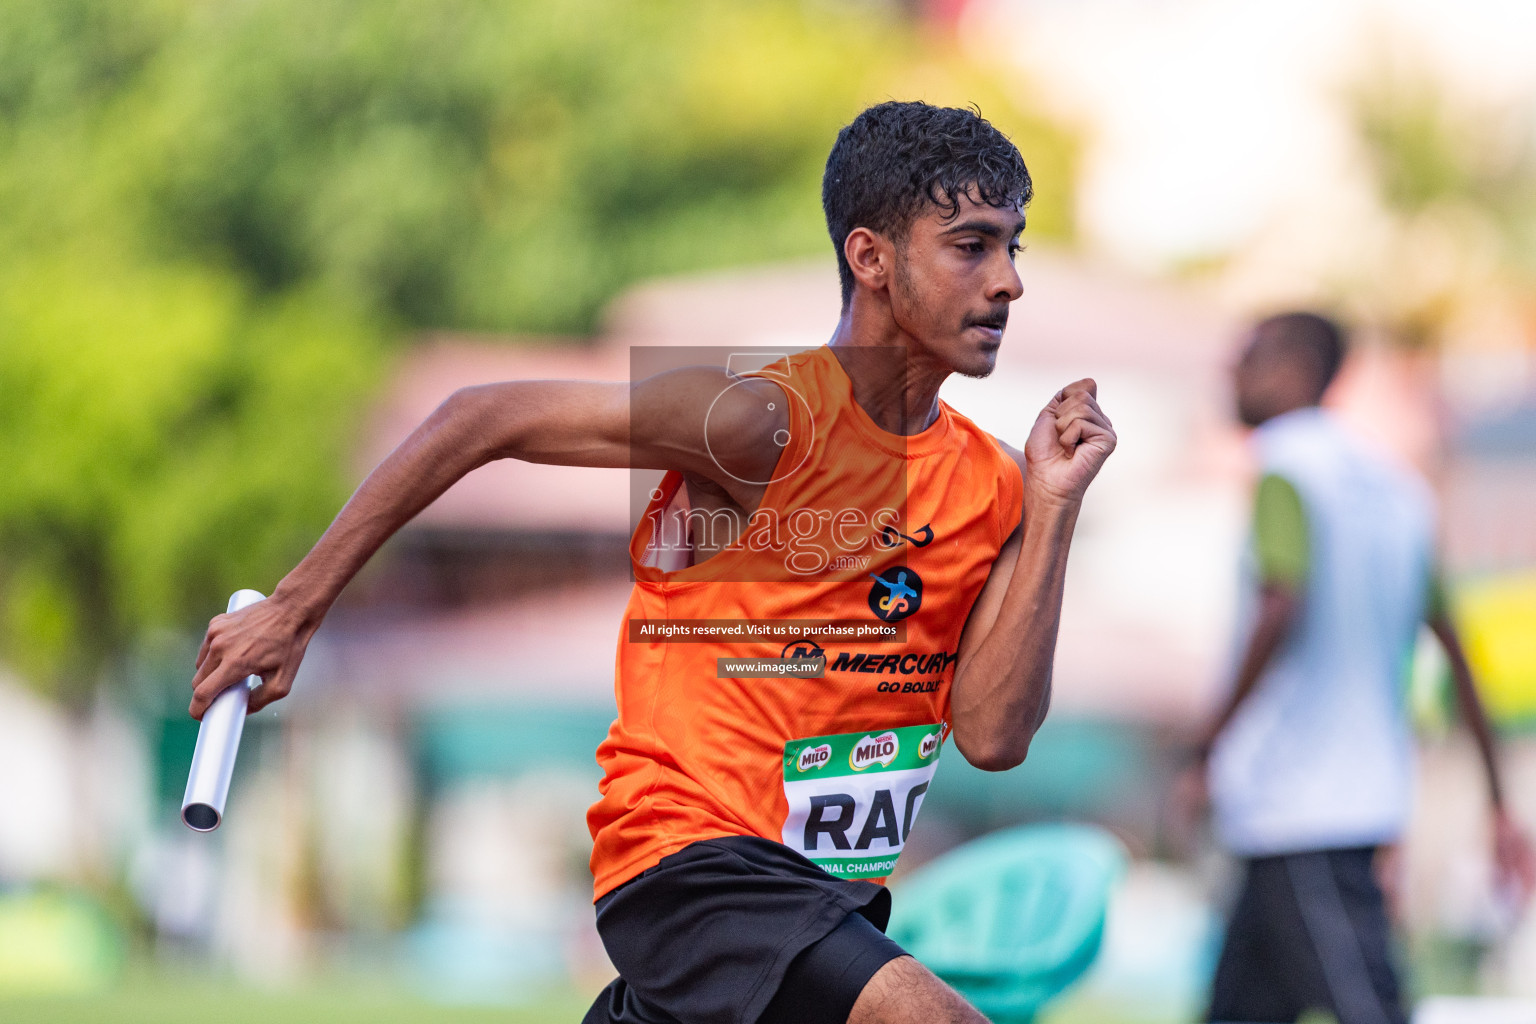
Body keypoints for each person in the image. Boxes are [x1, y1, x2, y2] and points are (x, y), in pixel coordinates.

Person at [189, 100, 1116, 1024]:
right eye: (970, 246)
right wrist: (294, 609)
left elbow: (994, 738)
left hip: (831, 895)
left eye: (1013, 248)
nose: (1007, 283)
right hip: (692, 861)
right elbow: (482, 417)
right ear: (870, 257)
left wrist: (1054, 509)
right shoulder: (761, 421)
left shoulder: (996, 482)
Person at [1189, 311, 1536, 1024]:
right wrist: (1498, 800)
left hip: (1299, 812)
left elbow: (1282, 601)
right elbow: (1457, 649)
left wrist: (1206, 741)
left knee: (1366, 1007)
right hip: (1342, 805)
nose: (1232, 373)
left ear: (1294, 368)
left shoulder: (1284, 465)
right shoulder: (1400, 491)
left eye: (1248, 357)